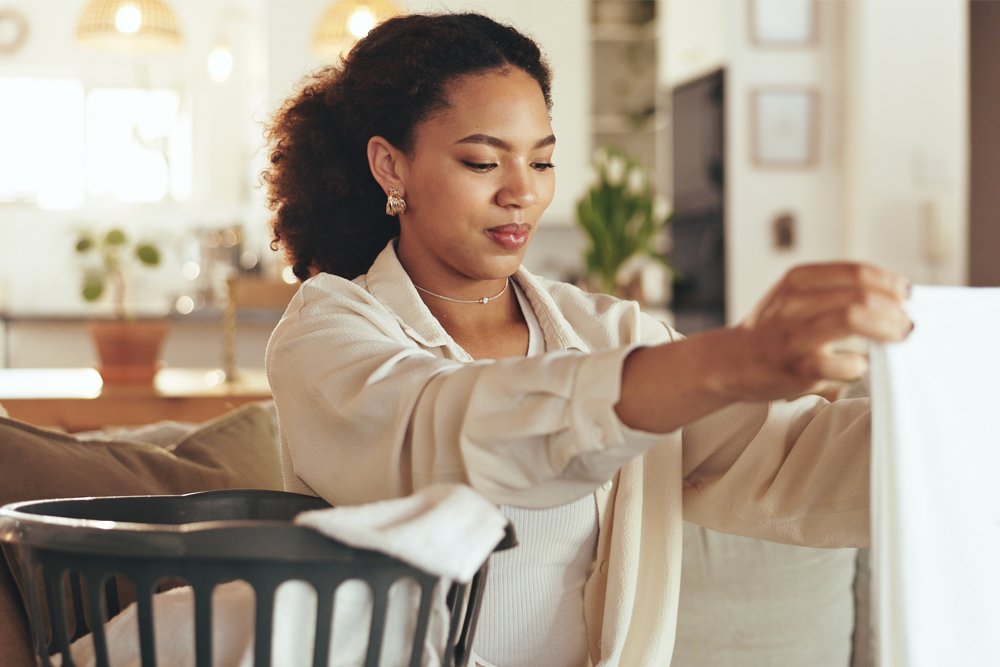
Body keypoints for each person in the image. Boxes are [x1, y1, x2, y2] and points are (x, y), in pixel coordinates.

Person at [263, 12, 911, 667]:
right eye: (483, 160)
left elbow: (790, 456)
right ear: (390, 166)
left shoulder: (612, 333)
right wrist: (734, 356)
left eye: (541, 160)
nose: (522, 192)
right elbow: (453, 434)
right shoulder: (328, 332)